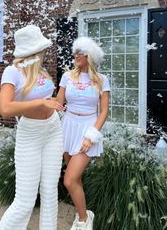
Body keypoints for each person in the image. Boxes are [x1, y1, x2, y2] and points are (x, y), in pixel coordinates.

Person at [0, 25, 64, 230]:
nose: (44, 52)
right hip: (31, 134)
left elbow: (41, 97)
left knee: (50, 192)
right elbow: (5, 108)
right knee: (24, 201)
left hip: (53, 129)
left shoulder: (40, 70)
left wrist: (53, 101)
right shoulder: (12, 71)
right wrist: (40, 104)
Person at [56, 36, 110, 230]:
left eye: (81, 53)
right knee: (75, 178)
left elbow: (103, 111)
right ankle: (84, 211)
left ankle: (83, 220)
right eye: (75, 52)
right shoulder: (67, 76)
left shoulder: (102, 80)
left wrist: (91, 135)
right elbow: (58, 104)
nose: (76, 56)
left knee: (69, 179)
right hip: (68, 126)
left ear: (90, 56)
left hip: (87, 128)